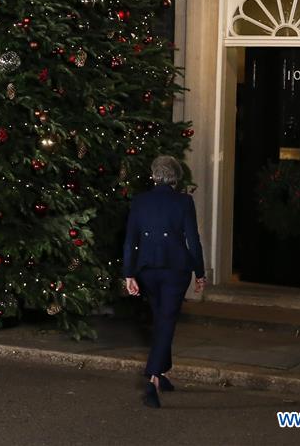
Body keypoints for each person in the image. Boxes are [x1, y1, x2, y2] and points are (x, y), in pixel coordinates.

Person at [123, 155, 206, 408]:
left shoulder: (140, 201)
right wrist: (200, 273)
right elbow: (193, 239)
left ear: (154, 175)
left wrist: (129, 274)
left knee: (161, 318)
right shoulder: (184, 202)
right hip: (175, 269)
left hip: (147, 269)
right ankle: (153, 378)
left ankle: (164, 372)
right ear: (176, 178)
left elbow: (130, 240)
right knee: (167, 320)